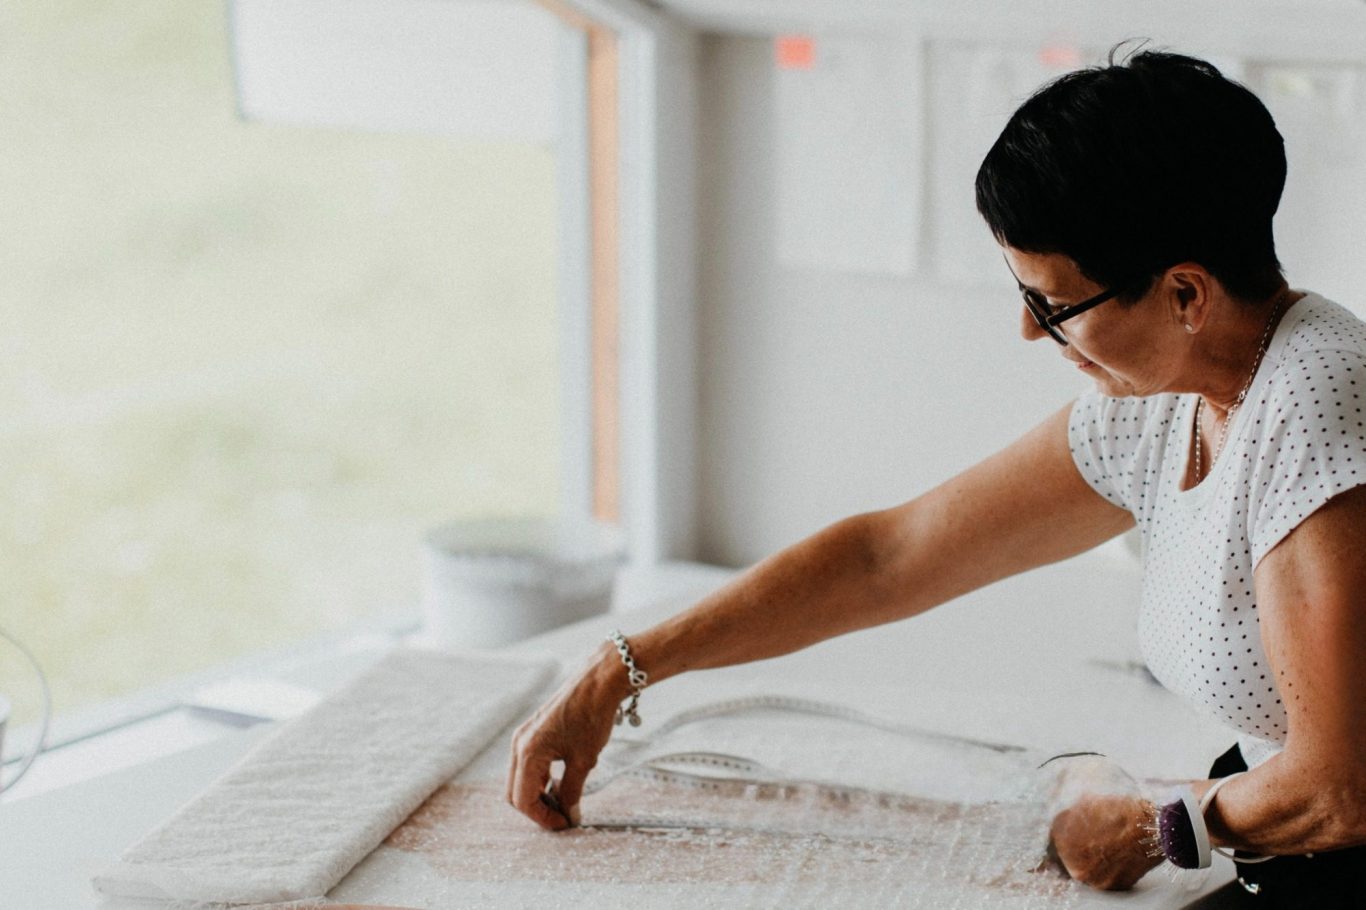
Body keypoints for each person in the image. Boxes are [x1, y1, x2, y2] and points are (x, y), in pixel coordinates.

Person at [507, 48, 1366, 906]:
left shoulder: (1313, 406)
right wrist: (621, 667)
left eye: (1051, 306)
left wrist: (1156, 828)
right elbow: (889, 559)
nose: (1029, 332)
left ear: (1185, 295)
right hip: (1274, 828)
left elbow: (1338, 788)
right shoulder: (1162, 401)